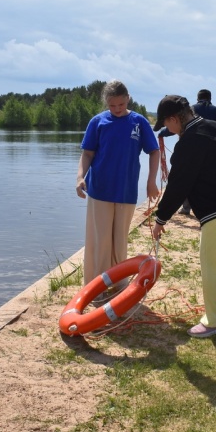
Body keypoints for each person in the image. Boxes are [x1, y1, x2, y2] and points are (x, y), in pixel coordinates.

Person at [151, 95, 216, 338]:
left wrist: (160, 219)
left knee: (214, 264)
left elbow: (177, 186)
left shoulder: (189, 142)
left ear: (175, 119)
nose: (168, 130)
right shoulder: (213, 124)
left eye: (167, 124)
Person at [76, 80, 160, 290]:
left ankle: (118, 284)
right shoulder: (98, 122)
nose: (117, 110)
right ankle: (95, 286)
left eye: (121, 105)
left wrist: (151, 181)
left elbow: (154, 151)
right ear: (106, 103)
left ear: (127, 99)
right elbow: (87, 153)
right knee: (100, 240)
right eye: (112, 106)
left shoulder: (139, 122)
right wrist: (80, 177)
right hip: (99, 190)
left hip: (126, 190)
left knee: (120, 239)